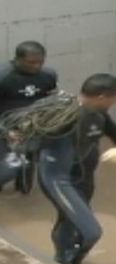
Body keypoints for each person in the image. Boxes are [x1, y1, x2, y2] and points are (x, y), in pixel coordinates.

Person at [0, 74, 116, 264]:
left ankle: (65, 255)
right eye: (115, 98)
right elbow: (22, 138)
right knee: (92, 231)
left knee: (71, 219)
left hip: (83, 176)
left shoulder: (98, 114)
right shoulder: (58, 116)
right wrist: (20, 142)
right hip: (58, 180)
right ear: (102, 97)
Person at [0, 41, 58, 194]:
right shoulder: (3, 76)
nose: (37, 66)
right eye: (31, 62)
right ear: (17, 59)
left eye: (40, 62)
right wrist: (5, 131)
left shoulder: (48, 75)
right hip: (5, 126)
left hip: (32, 127)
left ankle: (23, 188)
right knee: (5, 166)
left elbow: (49, 100)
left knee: (28, 163)